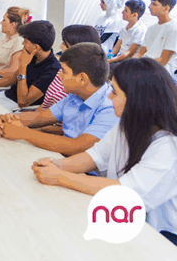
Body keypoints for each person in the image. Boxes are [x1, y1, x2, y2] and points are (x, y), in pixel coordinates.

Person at [31, 58, 177, 247]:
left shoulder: (169, 146)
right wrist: (57, 165)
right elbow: (95, 156)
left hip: (162, 237)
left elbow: (126, 192)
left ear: (136, 99)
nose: (109, 97)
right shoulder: (127, 124)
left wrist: (59, 177)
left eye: (114, 92)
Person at [0, 43, 118, 156]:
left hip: (78, 165)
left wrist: (21, 132)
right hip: (60, 156)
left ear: (82, 79)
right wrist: (9, 119)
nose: (59, 75)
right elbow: (40, 117)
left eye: (64, 71)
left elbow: (76, 146)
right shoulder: (76, 94)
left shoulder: (110, 107)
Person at [0, 20, 60, 110]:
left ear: (36, 47)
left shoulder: (52, 70)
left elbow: (22, 102)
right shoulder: (32, 55)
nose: (22, 43)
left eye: (26, 41)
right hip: (3, 97)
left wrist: (23, 65)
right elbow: (11, 79)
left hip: (15, 109)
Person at [39, 25, 101, 109]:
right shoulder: (63, 70)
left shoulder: (80, 82)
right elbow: (46, 104)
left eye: (64, 43)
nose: (60, 47)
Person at [134, 0, 177, 74]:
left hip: (161, 71)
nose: (149, 7)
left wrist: (140, 68)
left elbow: (163, 61)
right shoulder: (151, 28)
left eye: (154, 4)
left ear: (166, 8)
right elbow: (140, 53)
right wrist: (129, 64)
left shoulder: (174, 28)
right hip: (145, 66)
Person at [109, 0, 147, 65]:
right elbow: (116, 48)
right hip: (119, 58)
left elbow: (129, 53)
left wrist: (109, 60)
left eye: (126, 10)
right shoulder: (124, 27)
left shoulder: (140, 30)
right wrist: (108, 57)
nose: (122, 12)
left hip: (129, 62)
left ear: (134, 15)